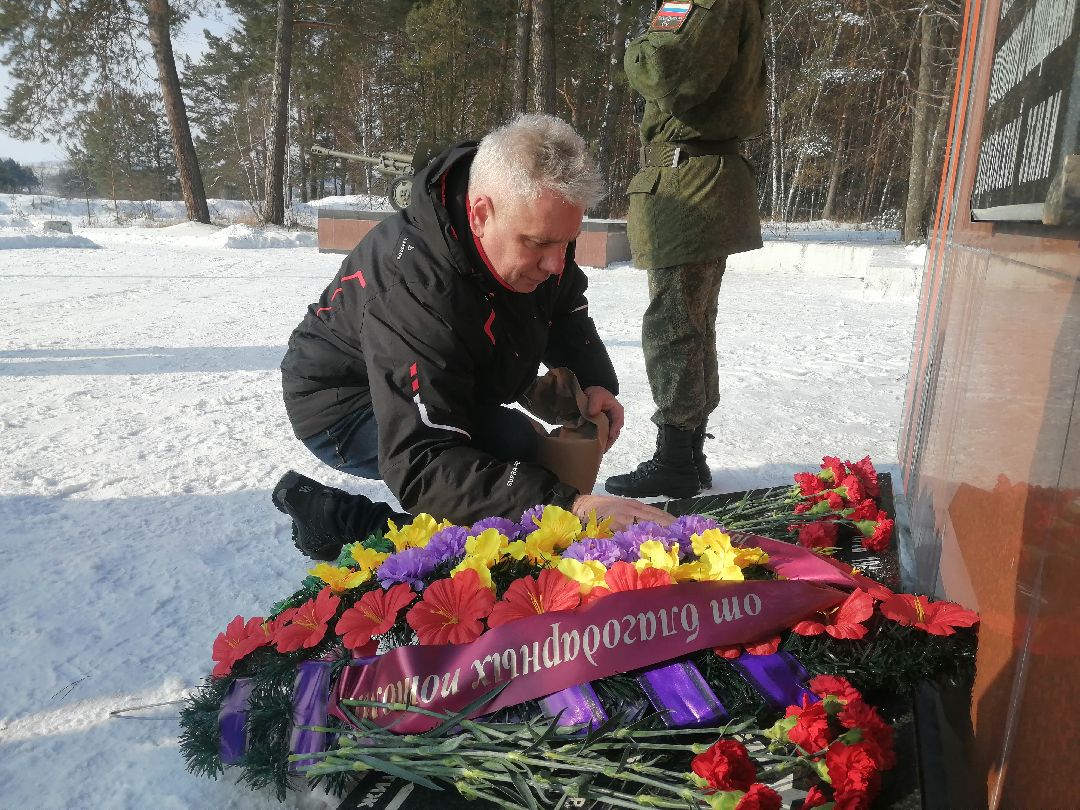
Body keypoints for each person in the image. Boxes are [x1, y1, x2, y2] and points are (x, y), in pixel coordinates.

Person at [275, 113, 674, 559]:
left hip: (455, 360)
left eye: (567, 242)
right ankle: (342, 521)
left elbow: (563, 304)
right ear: (481, 213)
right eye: (540, 244)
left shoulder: (536, 220)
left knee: (522, 477)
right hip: (344, 404)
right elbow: (422, 460)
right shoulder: (414, 289)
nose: (557, 263)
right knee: (509, 454)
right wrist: (568, 507)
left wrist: (592, 378)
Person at [605, 0, 767, 499]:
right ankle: (688, 453)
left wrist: (634, 49)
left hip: (687, 180)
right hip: (698, 173)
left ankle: (676, 457)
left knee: (674, 324)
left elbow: (667, 71)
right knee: (692, 322)